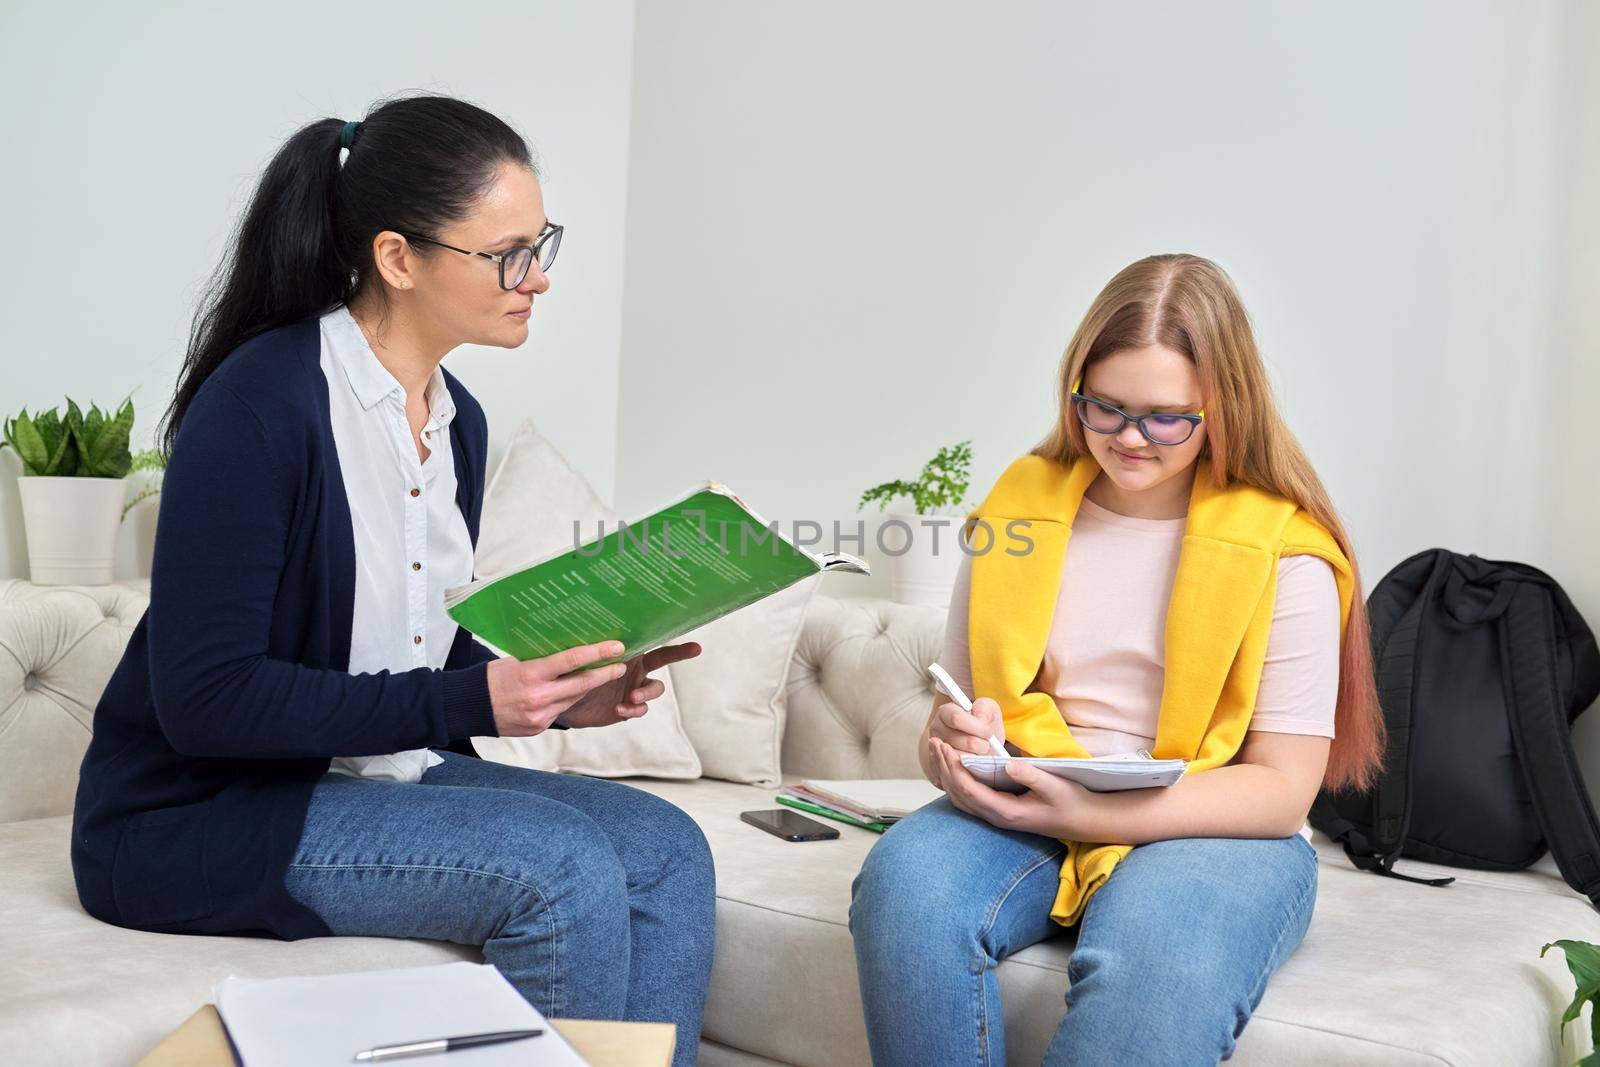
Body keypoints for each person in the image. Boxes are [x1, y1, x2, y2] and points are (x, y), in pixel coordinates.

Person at [70, 94, 714, 1065]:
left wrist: (561, 693)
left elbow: (412, 642)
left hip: (373, 777)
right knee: (560, 869)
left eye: (541, 245)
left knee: (670, 850)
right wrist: (478, 699)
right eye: (505, 253)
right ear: (398, 257)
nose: (535, 278)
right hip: (201, 811)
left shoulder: (459, 423)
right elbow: (206, 700)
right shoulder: (259, 406)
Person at [849, 253, 1385, 1066]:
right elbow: (953, 711)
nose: (1129, 438)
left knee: (1158, 966)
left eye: (1166, 417)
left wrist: (1088, 815)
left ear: (1224, 406)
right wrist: (949, 748)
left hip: (1215, 824)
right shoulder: (1017, 509)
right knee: (904, 890)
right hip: (1031, 793)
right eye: (1105, 408)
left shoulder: (1287, 551)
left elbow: (1279, 792)